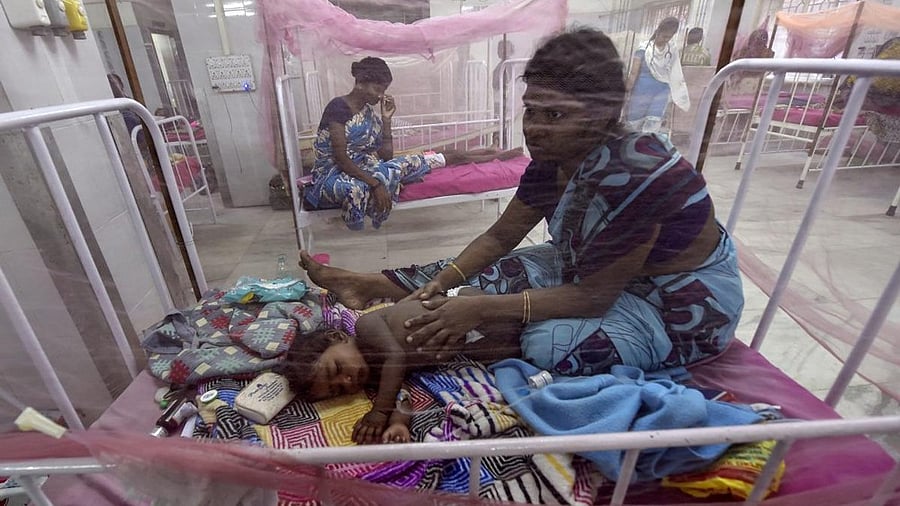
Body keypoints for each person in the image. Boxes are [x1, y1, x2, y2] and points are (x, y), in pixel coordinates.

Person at [299, 28, 743, 385]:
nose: (535, 128)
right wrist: (444, 284)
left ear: (605, 114)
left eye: (555, 115)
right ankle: (373, 286)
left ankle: (432, 347)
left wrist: (480, 310)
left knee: (548, 345)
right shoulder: (555, 160)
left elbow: (592, 297)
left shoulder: (639, 174)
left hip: (674, 304)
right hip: (591, 270)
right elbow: (499, 236)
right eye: (531, 111)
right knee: (485, 276)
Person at [278, 287, 522, 445]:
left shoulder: (366, 327)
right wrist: (398, 423)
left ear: (336, 337)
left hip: (466, 306)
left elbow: (396, 357)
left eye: (337, 369)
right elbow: (400, 392)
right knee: (522, 347)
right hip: (471, 342)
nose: (347, 381)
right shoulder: (376, 377)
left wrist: (380, 411)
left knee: (518, 313)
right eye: (338, 391)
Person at [307, 56, 520, 230]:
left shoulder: (368, 113)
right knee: (356, 189)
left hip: (364, 166)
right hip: (333, 173)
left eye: (384, 90)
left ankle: (493, 155)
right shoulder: (338, 107)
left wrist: (387, 119)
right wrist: (376, 184)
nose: (381, 95)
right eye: (377, 89)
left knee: (409, 162)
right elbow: (341, 158)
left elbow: (387, 156)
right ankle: (492, 154)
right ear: (361, 82)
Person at [624, 17, 690, 133]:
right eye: (664, 36)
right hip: (641, 91)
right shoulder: (643, 49)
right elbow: (633, 73)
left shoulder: (672, 50)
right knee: (634, 124)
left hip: (661, 92)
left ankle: (647, 148)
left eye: (669, 37)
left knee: (652, 125)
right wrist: (625, 91)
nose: (666, 40)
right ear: (658, 32)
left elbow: (674, 72)